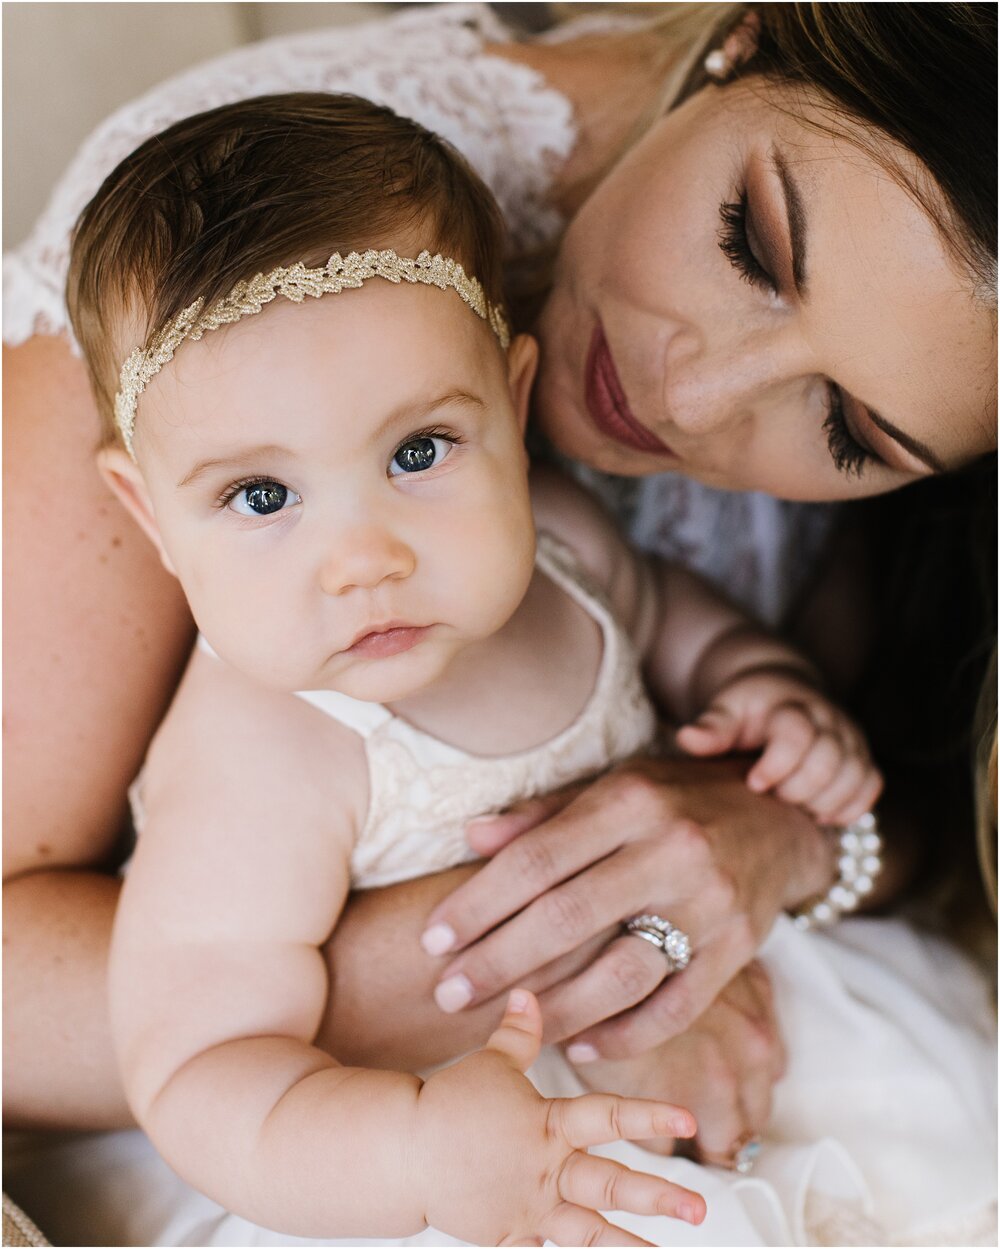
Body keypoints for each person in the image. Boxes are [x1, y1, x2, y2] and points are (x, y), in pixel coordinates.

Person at [3, 4, 995, 1242]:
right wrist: (540, 959)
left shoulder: (555, 548)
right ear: (748, 38)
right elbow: (186, 1043)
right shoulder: (226, 295)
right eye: (751, 243)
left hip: (741, 1044)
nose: (689, 399)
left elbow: (687, 634)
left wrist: (774, 753)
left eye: (851, 431)